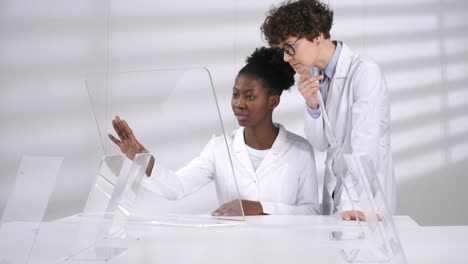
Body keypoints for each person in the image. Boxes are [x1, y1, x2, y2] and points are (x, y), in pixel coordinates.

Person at [108, 47, 319, 216]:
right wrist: (142, 157)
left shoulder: (300, 150)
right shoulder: (219, 147)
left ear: (273, 101)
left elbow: (312, 211)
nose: (239, 104)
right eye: (235, 95)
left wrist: (259, 207)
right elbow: (177, 187)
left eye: (250, 96)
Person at [261, 0, 396, 220]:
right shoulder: (314, 75)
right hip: (337, 194)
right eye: (282, 50)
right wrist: (312, 106)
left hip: (363, 199)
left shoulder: (364, 72)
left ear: (317, 35)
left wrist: (348, 203)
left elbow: (364, 149)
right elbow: (320, 143)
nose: (286, 57)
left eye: (289, 47)